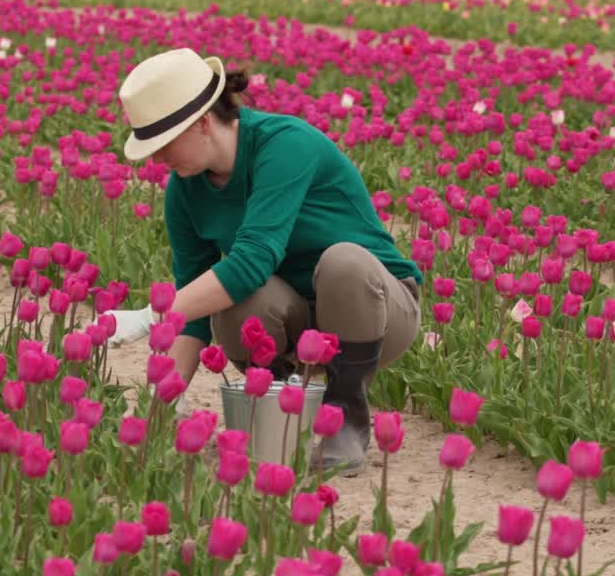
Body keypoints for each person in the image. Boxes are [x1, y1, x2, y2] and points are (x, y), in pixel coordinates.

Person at [108, 47, 423, 476]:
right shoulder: (184, 190)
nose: (157, 158)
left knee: (343, 262)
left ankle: (344, 416)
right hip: (295, 318)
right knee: (230, 300)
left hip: (377, 308)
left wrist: (151, 315)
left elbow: (253, 259)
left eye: (163, 143)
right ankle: (281, 407)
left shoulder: (284, 145)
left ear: (202, 122)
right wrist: (167, 394)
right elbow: (196, 299)